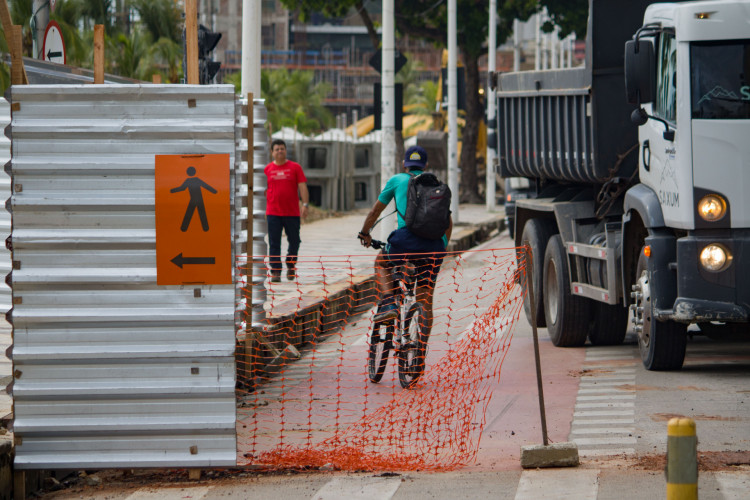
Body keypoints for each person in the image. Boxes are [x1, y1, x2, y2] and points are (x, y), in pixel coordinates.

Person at [358, 145, 452, 340]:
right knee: (426, 301)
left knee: (381, 263)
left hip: (405, 242)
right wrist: (441, 246)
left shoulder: (397, 180)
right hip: (434, 247)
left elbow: (375, 212)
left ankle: (391, 303)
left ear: (404, 164)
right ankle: (419, 356)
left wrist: (365, 233)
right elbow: (448, 223)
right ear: (425, 164)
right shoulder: (437, 186)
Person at [265, 139, 309, 282]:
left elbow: (302, 186)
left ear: (286, 151)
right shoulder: (267, 170)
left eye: (282, 149)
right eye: (277, 149)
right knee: (274, 242)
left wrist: (305, 204)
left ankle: (291, 265)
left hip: (292, 212)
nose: (280, 151)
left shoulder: (295, 167)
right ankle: (275, 271)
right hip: (273, 213)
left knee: (295, 240)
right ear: (272, 152)